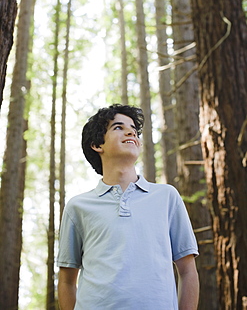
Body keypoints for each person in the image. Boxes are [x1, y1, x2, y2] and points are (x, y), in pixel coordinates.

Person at [57, 104, 199, 310]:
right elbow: (66, 281)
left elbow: (188, 271)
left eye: (133, 128)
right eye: (118, 127)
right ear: (97, 144)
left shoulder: (167, 197)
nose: (131, 131)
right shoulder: (78, 207)